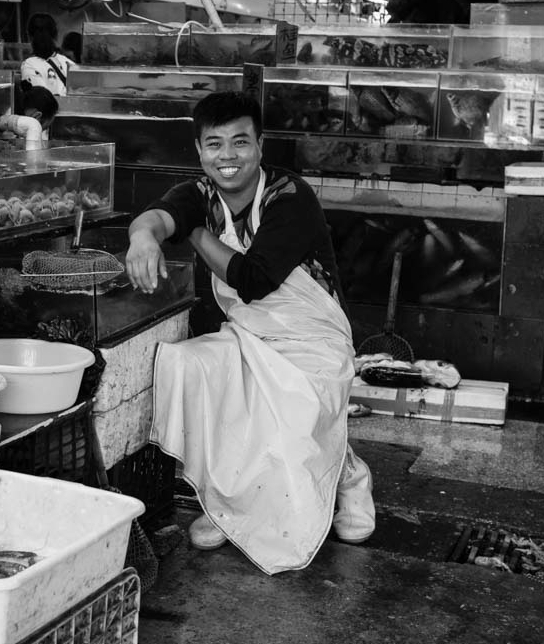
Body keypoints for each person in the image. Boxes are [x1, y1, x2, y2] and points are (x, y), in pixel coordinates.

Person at [125, 91, 375, 575]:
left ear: (260, 145)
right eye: (214, 145)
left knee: (293, 405)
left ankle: (348, 475)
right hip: (250, 334)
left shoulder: (290, 196)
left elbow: (253, 280)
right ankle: (225, 501)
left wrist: (193, 232)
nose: (228, 157)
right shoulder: (198, 193)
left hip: (313, 340)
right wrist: (142, 236)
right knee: (188, 364)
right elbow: (156, 216)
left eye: (240, 143)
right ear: (199, 151)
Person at [20, 13, 74, 97]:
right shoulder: (68, 63)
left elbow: (40, 98)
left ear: (29, 36)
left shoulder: (29, 64)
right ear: (55, 34)